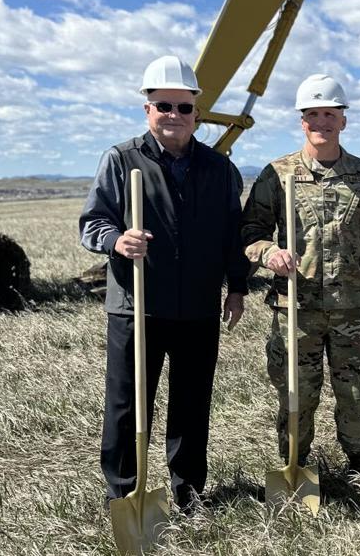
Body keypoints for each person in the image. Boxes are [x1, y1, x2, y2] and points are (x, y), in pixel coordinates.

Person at [80, 55, 248, 513]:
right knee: (127, 405)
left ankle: (189, 492)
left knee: (192, 406)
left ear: (197, 111)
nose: (174, 115)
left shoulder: (218, 168)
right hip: (138, 305)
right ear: (147, 109)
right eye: (163, 106)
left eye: (183, 107)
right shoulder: (120, 159)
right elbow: (92, 222)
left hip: (197, 306)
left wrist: (237, 286)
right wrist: (117, 239)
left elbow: (233, 234)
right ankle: (124, 494)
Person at [241, 74, 360, 476]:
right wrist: (269, 252)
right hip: (297, 311)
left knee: (356, 395)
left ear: (343, 120)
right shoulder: (278, 175)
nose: (321, 122)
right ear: (301, 120)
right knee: (296, 396)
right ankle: (295, 468)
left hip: (355, 313)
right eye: (313, 114)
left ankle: (359, 467)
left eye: (330, 114)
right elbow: (250, 233)